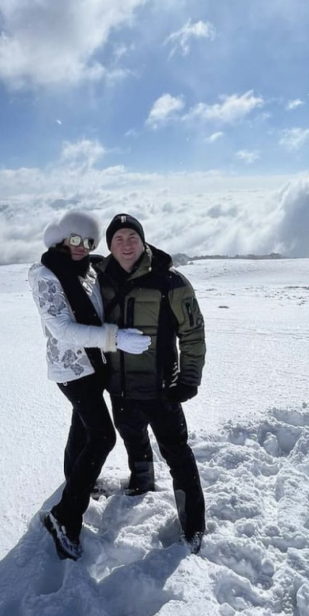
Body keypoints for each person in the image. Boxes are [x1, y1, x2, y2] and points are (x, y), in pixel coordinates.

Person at [28, 210, 151, 560]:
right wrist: (115, 338)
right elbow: (62, 329)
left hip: (93, 364)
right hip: (72, 369)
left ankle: (76, 480)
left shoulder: (88, 271)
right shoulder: (47, 275)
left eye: (89, 241)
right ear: (61, 239)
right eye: (75, 239)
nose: (82, 247)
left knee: (82, 428)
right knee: (102, 436)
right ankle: (64, 517)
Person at [94, 213, 207, 553]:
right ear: (110, 246)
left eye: (132, 237)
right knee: (131, 435)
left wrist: (188, 378)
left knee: (177, 453)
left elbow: (193, 332)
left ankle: (194, 524)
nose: (126, 245)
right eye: (118, 239)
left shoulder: (170, 281)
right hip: (120, 388)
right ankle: (142, 481)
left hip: (162, 389)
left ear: (143, 241)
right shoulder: (101, 280)